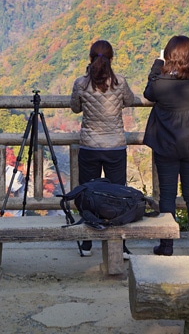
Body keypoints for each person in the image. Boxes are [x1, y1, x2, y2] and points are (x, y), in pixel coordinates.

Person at [143, 35, 189, 256]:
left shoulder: (160, 86)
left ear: (168, 58)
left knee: (167, 195)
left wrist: (158, 63)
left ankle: (166, 245)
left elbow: (149, 91)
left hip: (166, 146)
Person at [70, 40, 135, 257]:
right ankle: (120, 244)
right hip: (115, 145)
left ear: (90, 59)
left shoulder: (80, 83)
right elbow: (130, 100)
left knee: (88, 191)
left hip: (89, 145)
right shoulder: (121, 82)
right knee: (118, 194)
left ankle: (87, 242)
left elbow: (75, 108)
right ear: (112, 59)